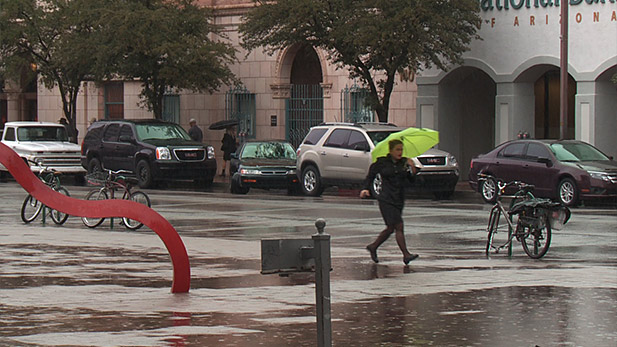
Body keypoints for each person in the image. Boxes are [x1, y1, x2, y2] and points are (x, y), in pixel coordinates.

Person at [359, 139, 419, 265]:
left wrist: (412, 168)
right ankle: (406, 254)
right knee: (399, 226)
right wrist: (365, 188)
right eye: (397, 149)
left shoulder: (404, 162)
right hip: (386, 199)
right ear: (391, 150)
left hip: (399, 199)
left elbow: (412, 181)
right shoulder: (382, 162)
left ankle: (373, 246)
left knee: (391, 228)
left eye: (401, 149)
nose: (400, 152)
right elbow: (370, 176)